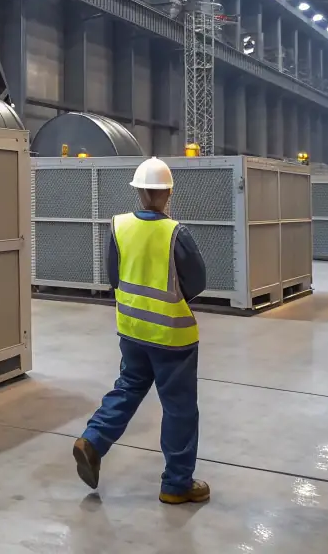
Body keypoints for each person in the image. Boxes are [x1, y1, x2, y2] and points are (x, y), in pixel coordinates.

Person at [72, 156, 210, 504]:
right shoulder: (176, 233)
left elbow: (114, 276)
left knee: (129, 387)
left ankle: (93, 440)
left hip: (132, 331)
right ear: (168, 193)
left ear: (138, 192)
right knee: (179, 408)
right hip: (172, 337)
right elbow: (197, 282)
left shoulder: (119, 226)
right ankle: (176, 485)